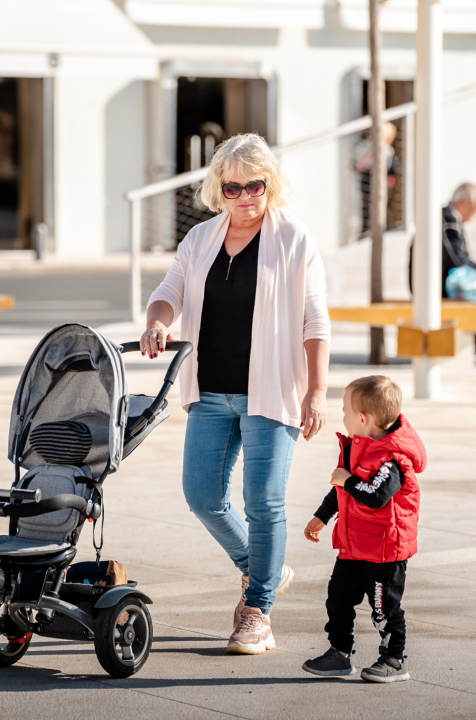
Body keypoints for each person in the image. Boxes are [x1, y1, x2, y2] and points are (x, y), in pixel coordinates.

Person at [141, 133, 330, 655]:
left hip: (271, 390)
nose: (246, 196)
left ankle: (257, 611)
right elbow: (169, 293)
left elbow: (316, 319)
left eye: (256, 185)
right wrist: (157, 323)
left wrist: (316, 391)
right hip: (210, 390)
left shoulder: (293, 239)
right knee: (202, 494)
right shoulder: (200, 239)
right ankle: (262, 566)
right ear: (217, 189)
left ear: (271, 184)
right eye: (234, 187)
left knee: (264, 502)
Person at [300, 375, 426, 683]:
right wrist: (322, 516)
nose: (341, 415)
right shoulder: (361, 448)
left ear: (362, 418)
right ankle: (339, 653)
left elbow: (376, 496)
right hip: (354, 547)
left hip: (384, 553)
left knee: (384, 609)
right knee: (338, 600)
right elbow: (342, 491)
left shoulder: (393, 459)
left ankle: (394, 659)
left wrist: (348, 480)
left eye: (344, 409)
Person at [409, 182, 476, 302]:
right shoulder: (448, 221)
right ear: (464, 202)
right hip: (432, 283)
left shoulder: (446, 218)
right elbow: (458, 260)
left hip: (429, 280)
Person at [355, 122, 401, 235]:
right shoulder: (374, 147)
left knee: (377, 205)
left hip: (375, 180)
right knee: (373, 205)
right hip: (373, 179)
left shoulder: (383, 149)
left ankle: (378, 228)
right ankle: (372, 229)